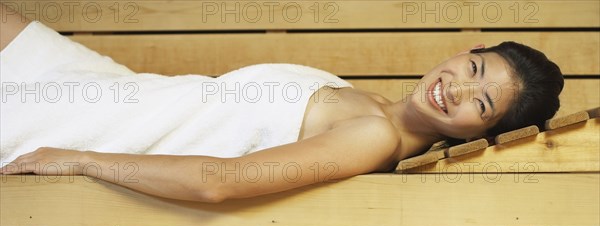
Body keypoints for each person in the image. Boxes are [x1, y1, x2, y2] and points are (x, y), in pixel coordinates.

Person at [0, 4, 563, 202]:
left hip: (87, 126)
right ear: (469, 50)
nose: (456, 88)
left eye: (481, 103)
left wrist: (81, 159)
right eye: (473, 69)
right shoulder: (366, 103)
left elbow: (216, 183)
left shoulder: (373, 138)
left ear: (475, 135)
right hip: (108, 89)